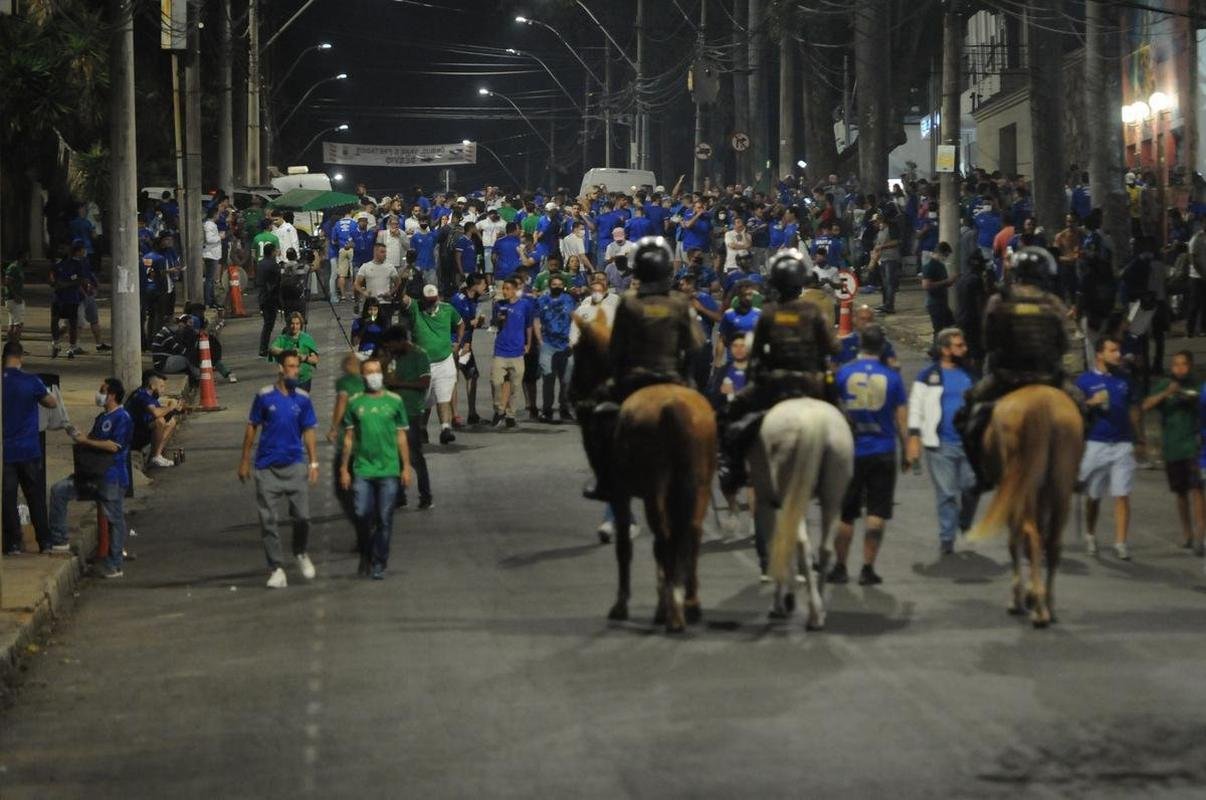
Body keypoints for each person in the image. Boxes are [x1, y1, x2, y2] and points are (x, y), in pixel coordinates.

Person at [580, 236, 701, 501]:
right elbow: (694, 345)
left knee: (597, 414)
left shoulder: (630, 302)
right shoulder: (680, 302)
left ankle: (604, 479)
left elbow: (617, 348)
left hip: (635, 379)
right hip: (674, 377)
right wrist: (687, 377)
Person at [716, 250, 836, 495]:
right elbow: (831, 347)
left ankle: (733, 468)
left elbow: (757, 353)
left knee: (733, 415)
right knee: (845, 416)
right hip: (812, 381)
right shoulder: (812, 312)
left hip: (775, 383)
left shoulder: (768, 314)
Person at [960, 247, 1073, 488]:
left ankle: (981, 476)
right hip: (1048, 377)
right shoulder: (1053, 303)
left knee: (966, 413)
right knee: (1085, 409)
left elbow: (988, 342)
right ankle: (1076, 472)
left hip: (1006, 377)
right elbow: (1064, 344)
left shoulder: (999, 301)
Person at [832, 325, 910, 584]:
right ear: (881, 347)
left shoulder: (844, 373)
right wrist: (908, 448)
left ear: (860, 345)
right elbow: (901, 418)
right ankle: (867, 567)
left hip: (851, 450)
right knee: (876, 512)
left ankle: (840, 567)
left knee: (846, 513)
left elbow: (835, 409)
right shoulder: (892, 377)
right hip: (883, 450)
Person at [238, 350, 320, 589]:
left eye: (297, 367)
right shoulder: (264, 397)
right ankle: (276, 568)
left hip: (295, 465)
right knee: (268, 521)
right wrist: (245, 460)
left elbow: (309, 431)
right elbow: (252, 427)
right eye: (291, 367)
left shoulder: (303, 399)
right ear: (281, 369)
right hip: (267, 467)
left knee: (303, 517)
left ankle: (300, 551)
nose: (295, 371)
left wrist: (313, 462)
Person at [906, 328, 980, 554]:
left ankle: (965, 523)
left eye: (963, 345)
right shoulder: (928, 376)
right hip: (940, 445)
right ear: (945, 350)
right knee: (947, 493)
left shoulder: (972, 375)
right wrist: (914, 437)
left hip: (970, 445)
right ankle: (947, 537)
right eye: (959, 346)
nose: (964, 349)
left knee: (972, 487)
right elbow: (916, 407)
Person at [48, 377, 132, 577]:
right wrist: (80, 437)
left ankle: (114, 564)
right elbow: (93, 440)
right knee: (59, 490)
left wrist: (86, 440)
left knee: (114, 519)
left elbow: (114, 446)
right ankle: (60, 539)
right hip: (91, 473)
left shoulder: (123, 418)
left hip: (111, 475)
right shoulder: (102, 418)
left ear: (111, 395)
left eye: (102, 390)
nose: (99, 394)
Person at [340, 357, 413, 580]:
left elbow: (401, 436)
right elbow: (349, 439)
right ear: (363, 376)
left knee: (384, 518)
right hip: (362, 469)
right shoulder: (355, 403)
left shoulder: (395, 401)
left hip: (388, 470)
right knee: (362, 513)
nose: (373, 376)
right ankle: (367, 550)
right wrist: (344, 468)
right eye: (369, 372)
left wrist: (406, 466)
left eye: (376, 371)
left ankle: (378, 561)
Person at [1076, 337, 1139, 560]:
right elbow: (1075, 410)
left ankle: (1120, 542)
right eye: (1112, 350)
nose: (1118, 354)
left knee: (1122, 494)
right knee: (1093, 495)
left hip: (1122, 443)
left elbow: (1133, 408)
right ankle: (1090, 534)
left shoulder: (1125, 379)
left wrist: (1138, 439)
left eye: (1118, 350)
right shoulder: (1084, 381)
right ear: (1100, 354)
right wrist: (1089, 403)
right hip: (1097, 443)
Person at [1142, 351, 1204, 555]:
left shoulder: (1196, 385)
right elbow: (1146, 405)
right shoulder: (1164, 384)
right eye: (1175, 364)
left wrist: (1190, 397)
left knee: (1197, 491)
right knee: (1180, 493)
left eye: (1183, 364)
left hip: (1193, 446)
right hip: (1172, 448)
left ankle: (1200, 536)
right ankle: (1187, 534)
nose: (1179, 368)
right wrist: (1167, 393)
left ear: (1190, 366)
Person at [2, 342, 58, 554]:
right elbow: (51, 403)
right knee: (35, 497)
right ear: (20, 358)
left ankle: (13, 543)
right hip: (29, 449)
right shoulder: (31, 381)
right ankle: (45, 542)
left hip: (6, 451)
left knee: (8, 498)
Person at [399, 284, 464, 444]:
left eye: (433, 300)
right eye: (428, 301)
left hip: (445, 361)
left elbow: (460, 324)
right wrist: (403, 278)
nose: (431, 304)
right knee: (425, 401)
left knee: (443, 396)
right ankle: (421, 428)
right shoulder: (415, 308)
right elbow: (401, 298)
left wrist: (458, 343)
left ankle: (445, 428)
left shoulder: (447, 309)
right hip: (422, 365)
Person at [381, 327, 433, 510]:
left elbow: (424, 383)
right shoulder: (394, 357)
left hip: (411, 412)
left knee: (415, 456)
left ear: (403, 340)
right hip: (393, 412)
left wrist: (399, 384)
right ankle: (399, 495)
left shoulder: (419, 355)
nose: (391, 349)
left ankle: (425, 495)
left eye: (393, 345)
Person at [490, 277, 536, 427]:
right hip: (501, 349)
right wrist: (498, 320)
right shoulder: (498, 305)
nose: (504, 291)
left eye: (508, 289)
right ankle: (499, 409)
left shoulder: (525, 305)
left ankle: (511, 414)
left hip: (517, 350)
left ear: (516, 290)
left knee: (515, 385)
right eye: (503, 288)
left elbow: (529, 326)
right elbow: (493, 325)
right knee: (496, 381)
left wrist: (528, 343)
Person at [328, 352, 363, 528]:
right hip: (369, 443)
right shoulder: (369, 383)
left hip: (349, 444)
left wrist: (334, 428)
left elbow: (341, 402)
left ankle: (360, 519)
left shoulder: (344, 383)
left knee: (343, 487)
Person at [537, 273, 576, 422]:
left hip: (566, 344)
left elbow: (574, 319)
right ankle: (547, 410)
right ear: (549, 286)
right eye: (554, 285)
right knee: (548, 378)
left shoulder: (569, 300)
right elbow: (536, 320)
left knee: (566, 380)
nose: (557, 287)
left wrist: (573, 341)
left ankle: (564, 409)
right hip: (548, 344)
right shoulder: (542, 300)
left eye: (560, 284)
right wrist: (539, 341)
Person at [449, 273, 488, 425]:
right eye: (483, 284)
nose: (485, 287)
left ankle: (472, 413)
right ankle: (454, 416)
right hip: (454, 344)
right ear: (475, 285)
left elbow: (470, 327)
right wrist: (472, 323)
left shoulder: (474, 299)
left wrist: (476, 324)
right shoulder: (458, 300)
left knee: (473, 375)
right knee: (453, 379)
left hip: (466, 345)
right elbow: (455, 323)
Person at [125, 369, 181, 469]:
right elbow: (156, 413)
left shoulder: (150, 396)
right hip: (132, 436)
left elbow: (160, 412)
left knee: (171, 421)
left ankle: (156, 456)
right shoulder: (142, 396)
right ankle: (155, 457)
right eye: (161, 386)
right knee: (159, 421)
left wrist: (174, 410)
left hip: (141, 430)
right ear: (152, 386)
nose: (163, 390)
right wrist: (170, 407)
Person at [954, 250, 990, 369]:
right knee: (977, 353)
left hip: (961, 318)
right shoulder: (976, 280)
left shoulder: (962, 278)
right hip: (973, 320)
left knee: (966, 350)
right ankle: (975, 376)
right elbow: (980, 303)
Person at [49, 242, 85, 358]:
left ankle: (71, 347)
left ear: (69, 251)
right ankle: (56, 344)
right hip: (58, 299)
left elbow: (80, 280)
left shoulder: (76, 264)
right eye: (59, 249)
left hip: (72, 299)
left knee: (72, 324)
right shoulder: (56, 265)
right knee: (54, 321)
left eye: (63, 249)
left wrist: (66, 284)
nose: (61, 251)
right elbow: (51, 280)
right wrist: (54, 283)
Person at [269, 311, 320, 392]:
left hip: (304, 380)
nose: (294, 326)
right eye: (292, 323)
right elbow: (272, 349)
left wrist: (304, 358)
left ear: (301, 325)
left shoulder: (307, 338)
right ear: (288, 324)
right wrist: (288, 352)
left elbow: (316, 359)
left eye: (297, 324)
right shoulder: (282, 339)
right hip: (288, 379)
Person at [354, 242, 400, 327]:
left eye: (385, 252)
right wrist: (364, 293)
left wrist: (390, 293)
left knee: (386, 329)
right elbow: (356, 284)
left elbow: (398, 283)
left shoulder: (390, 267)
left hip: (385, 303)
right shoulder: (365, 267)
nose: (385, 254)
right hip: (371, 303)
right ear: (375, 252)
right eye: (382, 252)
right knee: (370, 327)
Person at [920, 242, 956, 338]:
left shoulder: (941, 266)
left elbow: (943, 282)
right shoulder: (930, 265)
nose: (946, 258)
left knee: (950, 326)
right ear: (940, 252)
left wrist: (951, 281)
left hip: (942, 302)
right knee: (939, 330)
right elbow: (926, 285)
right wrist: (946, 281)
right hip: (934, 303)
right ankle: (936, 350)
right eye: (946, 255)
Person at [257, 242, 282, 357]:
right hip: (271, 297)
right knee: (269, 324)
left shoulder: (260, 263)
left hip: (262, 296)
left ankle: (263, 348)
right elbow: (278, 281)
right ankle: (264, 348)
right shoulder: (274, 265)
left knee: (267, 324)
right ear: (272, 252)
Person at [202, 205, 223, 308]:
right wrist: (220, 237)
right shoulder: (210, 225)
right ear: (215, 214)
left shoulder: (210, 224)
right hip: (211, 255)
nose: (219, 215)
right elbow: (209, 239)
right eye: (218, 213)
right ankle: (208, 301)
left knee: (210, 279)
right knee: (210, 279)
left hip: (212, 254)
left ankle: (211, 299)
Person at [4, 254, 26, 343]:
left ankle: (10, 346)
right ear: (22, 257)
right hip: (14, 299)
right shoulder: (13, 267)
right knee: (18, 324)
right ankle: (15, 347)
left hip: (14, 298)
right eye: (26, 257)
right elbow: (7, 282)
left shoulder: (19, 267)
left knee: (12, 324)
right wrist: (15, 295)